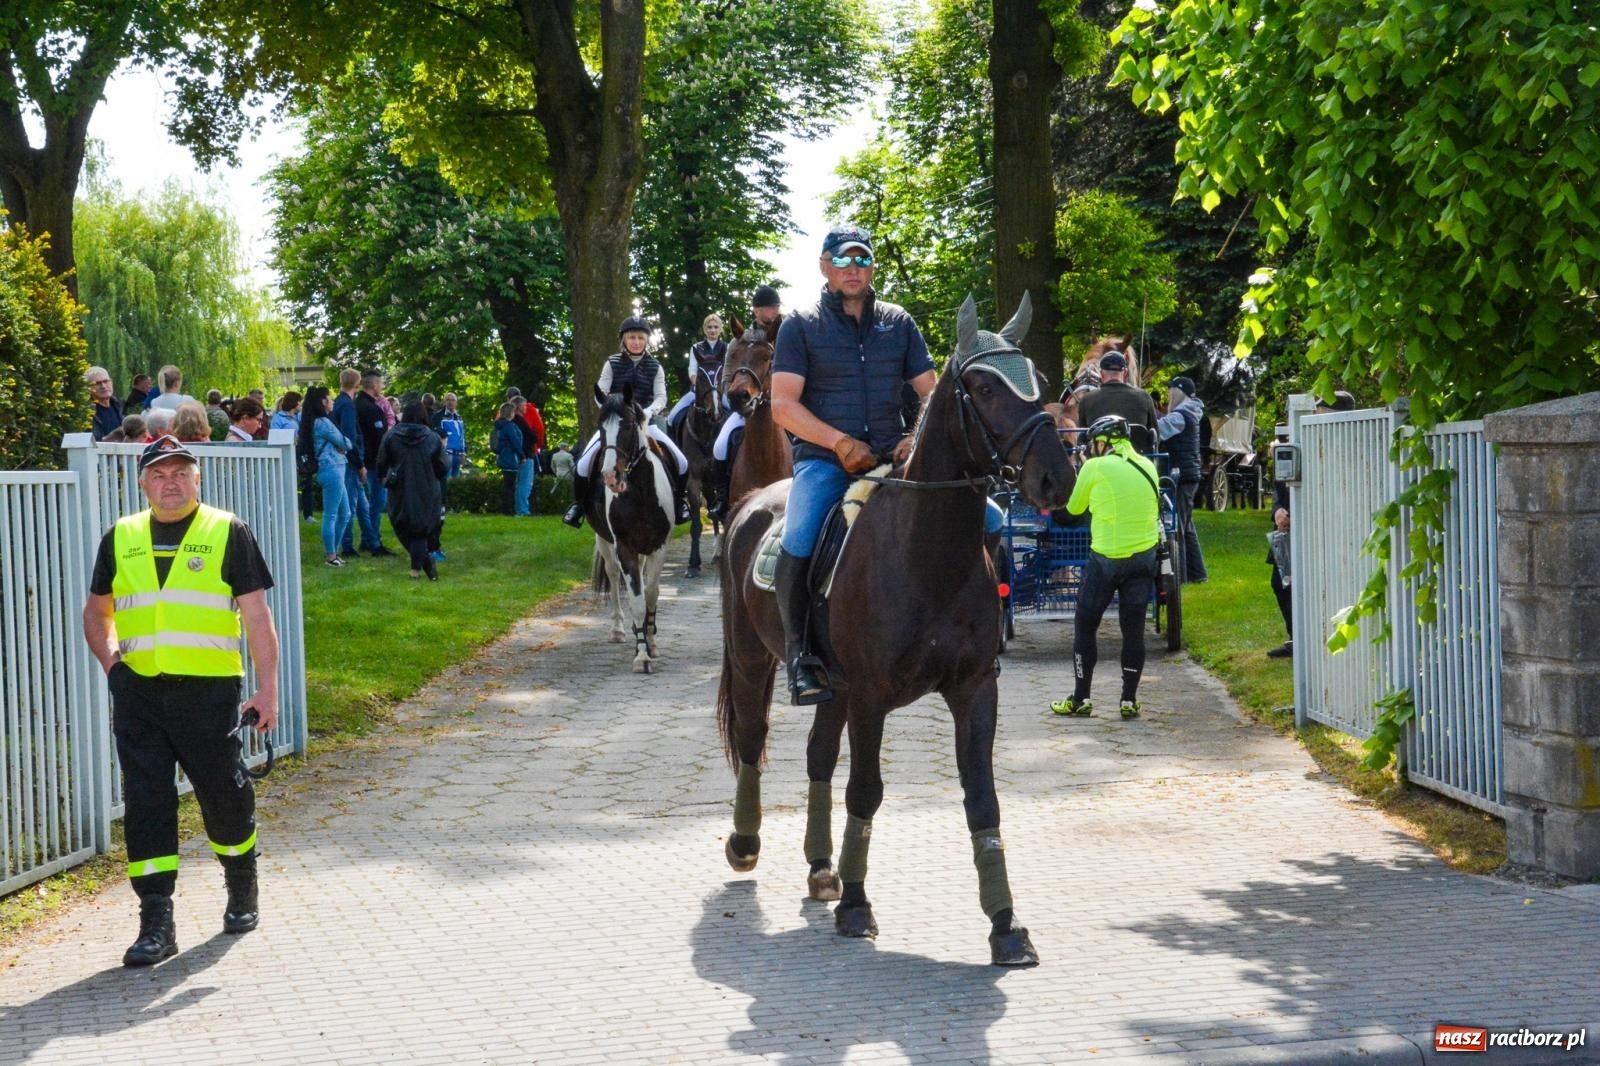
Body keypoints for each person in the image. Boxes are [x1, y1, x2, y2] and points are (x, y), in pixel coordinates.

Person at [80, 435, 279, 966]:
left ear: (197, 479)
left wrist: (268, 689)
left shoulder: (227, 531)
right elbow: (97, 613)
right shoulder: (120, 536)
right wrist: (113, 664)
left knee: (223, 795)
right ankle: (156, 921)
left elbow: (256, 616)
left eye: (180, 473)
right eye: (159, 474)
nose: (170, 482)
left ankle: (241, 887)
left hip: (209, 693)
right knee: (146, 804)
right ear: (142, 483)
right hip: (139, 693)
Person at [770, 224, 936, 704]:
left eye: (861, 260)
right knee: (799, 534)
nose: (853, 269)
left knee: (987, 517)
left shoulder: (899, 322)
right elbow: (783, 405)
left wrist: (914, 437)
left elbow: (932, 392)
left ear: (872, 267)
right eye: (843, 260)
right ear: (824, 265)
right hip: (826, 462)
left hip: (892, 460)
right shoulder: (800, 325)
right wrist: (839, 442)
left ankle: (971, 635)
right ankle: (801, 656)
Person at [1049, 415, 1161, 719]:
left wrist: (1051, 507)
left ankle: (1081, 698)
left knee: (1086, 625)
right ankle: (1128, 700)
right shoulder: (1149, 466)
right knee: (1133, 630)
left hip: (1106, 559)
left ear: (1105, 442)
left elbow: (1071, 512)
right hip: (1143, 558)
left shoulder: (1094, 467)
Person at [562, 315, 692, 527]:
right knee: (583, 464)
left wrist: (648, 412)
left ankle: (678, 503)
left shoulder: (655, 366)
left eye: (641, 337)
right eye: (632, 337)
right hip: (616, 424)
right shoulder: (612, 363)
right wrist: (611, 410)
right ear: (623, 339)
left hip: (646, 424)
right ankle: (579, 505)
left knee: (682, 461)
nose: (636, 342)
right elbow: (601, 392)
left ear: (647, 340)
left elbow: (661, 396)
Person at [1265, 389, 1355, 658]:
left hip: (1324, 533)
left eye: (1320, 413)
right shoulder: (1300, 445)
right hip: (1289, 532)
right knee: (1280, 583)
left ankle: (1317, 639)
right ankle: (1297, 638)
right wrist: (1278, 511)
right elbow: (1279, 490)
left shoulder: (1350, 450)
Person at [708, 284, 783, 522]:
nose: (772, 312)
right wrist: (734, 398)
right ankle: (722, 498)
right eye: (766, 308)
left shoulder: (788, 333)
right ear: (755, 311)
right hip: (745, 407)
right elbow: (727, 377)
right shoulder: (739, 341)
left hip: (783, 406)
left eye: (775, 307)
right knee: (720, 446)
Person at [376, 403, 448, 580]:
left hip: (400, 486)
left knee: (403, 525)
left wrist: (385, 477)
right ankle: (421, 563)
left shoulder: (391, 435)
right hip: (427, 487)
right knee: (421, 528)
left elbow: (381, 462)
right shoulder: (432, 437)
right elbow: (443, 466)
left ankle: (417, 567)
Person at [1157, 375, 1208, 583]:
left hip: (1181, 476)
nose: (1168, 394)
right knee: (1187, 526)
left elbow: (1158, 430)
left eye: (1171, 390)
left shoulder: (1180, 415)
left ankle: (1180, 576)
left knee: (1177, 526)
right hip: (1188, 475)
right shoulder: (1189, 412)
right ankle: (1198, 574)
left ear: (1179, 392)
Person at [301, 385, 354, 567]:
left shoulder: (315, 421)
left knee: (345, 513)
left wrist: (343, 445)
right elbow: (345, 442)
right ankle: (331, 556)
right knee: (331, 515)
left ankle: (334, 552)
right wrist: (344, 445)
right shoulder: (323, 422)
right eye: (330, 398)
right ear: (323, 402)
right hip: (332, 469)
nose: (332, 401)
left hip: (333, 469)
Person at [1077, 346, 1157, 452]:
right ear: (1125, 373)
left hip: (1099, 463)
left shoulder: (1086, 400)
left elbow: (1083, 435)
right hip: (1136, 464)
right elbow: (1154, 433)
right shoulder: (1144, 397)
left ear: (1101, 374)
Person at [354, 372, 397, 556]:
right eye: (380, 383)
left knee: (371, 502)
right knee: (378, 501)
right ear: (374, 385)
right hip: (373, 462)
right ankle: (373, 541)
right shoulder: (369, 408)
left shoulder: (361, 404)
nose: (382, 386)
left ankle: (368, 539)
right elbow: (379, 438)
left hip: (368, 460)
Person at [667, 312, 729, 429]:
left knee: (740, 417)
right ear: (704, 329)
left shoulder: (728, 347)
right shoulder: (696, 348)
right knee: (671, 417)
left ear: (720, 329)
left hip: (721, 392)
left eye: (716, 327)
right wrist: (699, 385)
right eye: (709, 327)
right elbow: (692, 369)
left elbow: (729, 370)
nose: (712, 330)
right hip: (698, 392)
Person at [331, 369, 369, 558]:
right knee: (350, 505)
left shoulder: (338, 402)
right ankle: (347, 545)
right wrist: (360, 464)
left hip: (346, 459)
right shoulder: (347, 406)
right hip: (350, 461)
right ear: (358, 384)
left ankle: (370, 539)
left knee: (362, 504)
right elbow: (349, 439)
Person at [273, 392, 313, 522]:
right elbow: (275, 435)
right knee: (289, 483)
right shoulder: (278, 418)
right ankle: (288, 513)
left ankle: (308, 514)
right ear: (294, 403)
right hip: (287, 453)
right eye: (299, 402)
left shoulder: (298, 417)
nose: (301, 404)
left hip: (299, 452)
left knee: (306, 481)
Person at [490, 402, 524, 515]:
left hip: (503, 456)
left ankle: (506, 508)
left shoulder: (499, 425)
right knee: (510, 485)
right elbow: (515, 441)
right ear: (510, 413)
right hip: (510, 456)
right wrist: (521, 455)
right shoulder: (509, 426)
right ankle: (509, 510)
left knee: (507, 484)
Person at [514, 395, 544, 517]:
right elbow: (532, 436)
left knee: (519, 483)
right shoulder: (520, 420)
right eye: (523, 405)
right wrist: (536, 436)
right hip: (526, 455)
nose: (525, 407)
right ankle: (523, 510)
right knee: (525, 483)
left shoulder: (511, 420)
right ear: (519, 406)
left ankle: (519, 508)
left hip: (518, 455)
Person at [86, 366, 124, 441]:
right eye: (97, 383)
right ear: (88, 388)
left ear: (111, 382)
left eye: (106, 381)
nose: (103, 386)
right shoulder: (86, 412)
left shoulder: (119, 406)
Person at [436, 393, 467, 478]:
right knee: (447, 479)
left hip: (458, 453)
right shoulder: (439, 416)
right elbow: (436, 434)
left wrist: (464, 452)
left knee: (456, 480)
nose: (450, 402)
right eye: (448, 400)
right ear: (444, 402)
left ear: (456, 403)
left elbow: (462, 436)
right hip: (446, 453)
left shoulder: (459, 417)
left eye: (453, 400)